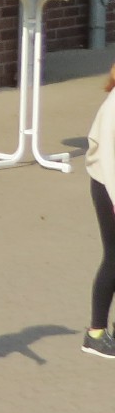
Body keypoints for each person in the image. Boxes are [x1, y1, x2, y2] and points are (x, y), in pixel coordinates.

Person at [82, 65, 115, 358]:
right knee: (113, 258)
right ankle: (95, 333)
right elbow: (109, 159)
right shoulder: (114, 106)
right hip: (108, 187)